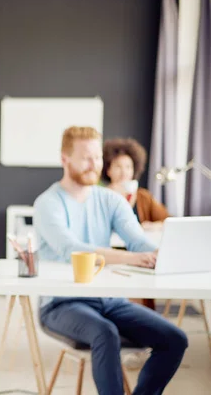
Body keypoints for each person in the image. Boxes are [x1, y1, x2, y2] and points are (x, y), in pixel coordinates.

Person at [33, 126, 188, 395]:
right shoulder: (48, 203)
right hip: (61, 304)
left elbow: (139, 241)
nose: (94, 165)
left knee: (175, 339)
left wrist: (163, 254)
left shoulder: (110, 200)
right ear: (64, 159)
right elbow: (72, 248)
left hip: (109, 300)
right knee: (105, 333)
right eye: (86, 158)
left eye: (97, 157)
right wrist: (133, 257)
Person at [102, 137, 169, 231]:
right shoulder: (101, 196)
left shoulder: (144, 196)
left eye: (128, 167)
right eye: (118, 166)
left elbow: (168, 220)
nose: (124, 172)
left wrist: (154, 226)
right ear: (108, 170)